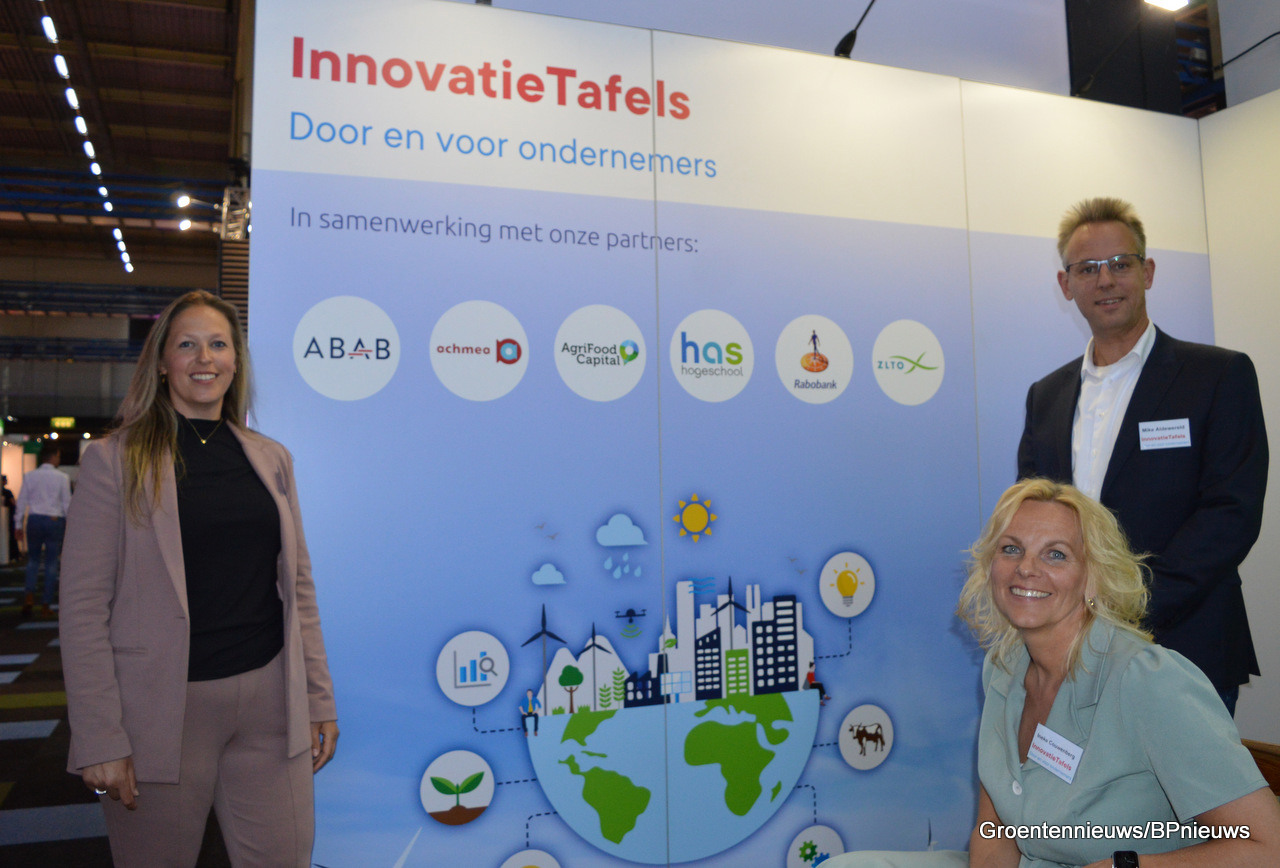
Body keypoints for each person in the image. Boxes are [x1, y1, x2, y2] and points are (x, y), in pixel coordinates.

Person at [827, 479, 1280, 868]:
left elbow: (1266, 847)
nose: (1026, 568)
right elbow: (995, 831)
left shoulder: (1149, 680)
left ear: (1093, 577)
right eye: (1011, 549)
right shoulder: (1004, 666)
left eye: (1056, 555)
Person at [59, 290, 338, 866]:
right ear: (162, 362)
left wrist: (317, 699)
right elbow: (83, 608)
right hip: (160, 711)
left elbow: (298, 589)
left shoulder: (271, 458)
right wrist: (100, 736)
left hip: (270, 704)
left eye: (218, 344)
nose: (204, 358)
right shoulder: (115, 460)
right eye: (187, 345)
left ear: (235, 362)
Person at [1017, 196, 1267, 714]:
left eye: (1120, 263)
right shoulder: (1046, 396)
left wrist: (1126, 604)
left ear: (1147, 272)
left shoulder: (1218, 376)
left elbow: (1231, 512)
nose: (1105, 280)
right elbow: (1034, 518)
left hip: (1185, 648)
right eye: (1088, 268)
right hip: (1072, 652)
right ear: (1066, 284)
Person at [13, 443, 72, 619]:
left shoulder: (30, 476)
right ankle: (46, 604)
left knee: (33, 560)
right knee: (51, 563)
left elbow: (22, 501)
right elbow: (67, 504)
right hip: (54, 520)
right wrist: (70, 526)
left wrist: (18, 524)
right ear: (53, 457)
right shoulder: (62, 477)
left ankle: (29, 597)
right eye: (58, 456)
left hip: (34, 519)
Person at [2, 474, 18, 564]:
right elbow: (13, 503)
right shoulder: (7, 492)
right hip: (9, 517)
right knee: (11, 535)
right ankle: (14, 555)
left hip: (6, 517)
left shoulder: (6, 492)